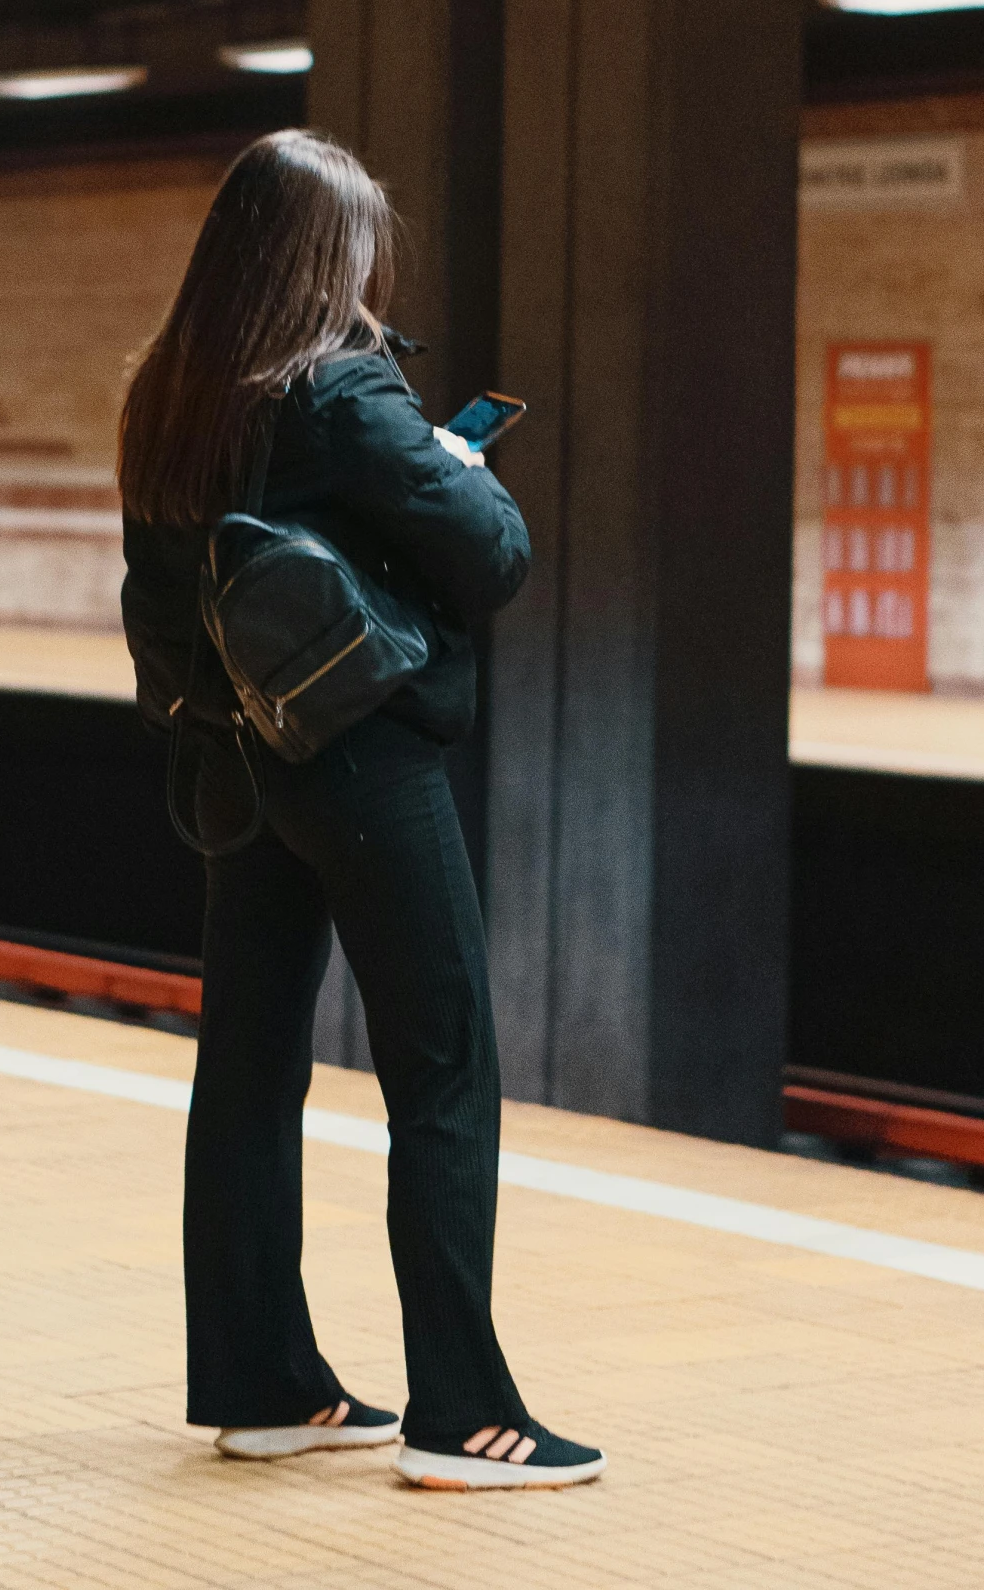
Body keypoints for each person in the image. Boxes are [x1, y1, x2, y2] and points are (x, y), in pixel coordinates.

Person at [118, 127, 605, 1492]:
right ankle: (463, 1410)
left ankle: (264, 1382)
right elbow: (494, 556)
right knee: (441, 1065)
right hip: (363, 762)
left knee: (251, 1064)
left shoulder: (167, 393)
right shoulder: (341, 390)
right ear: (329, 259)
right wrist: (456, 468)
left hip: (236, 759)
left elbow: (158, 603)